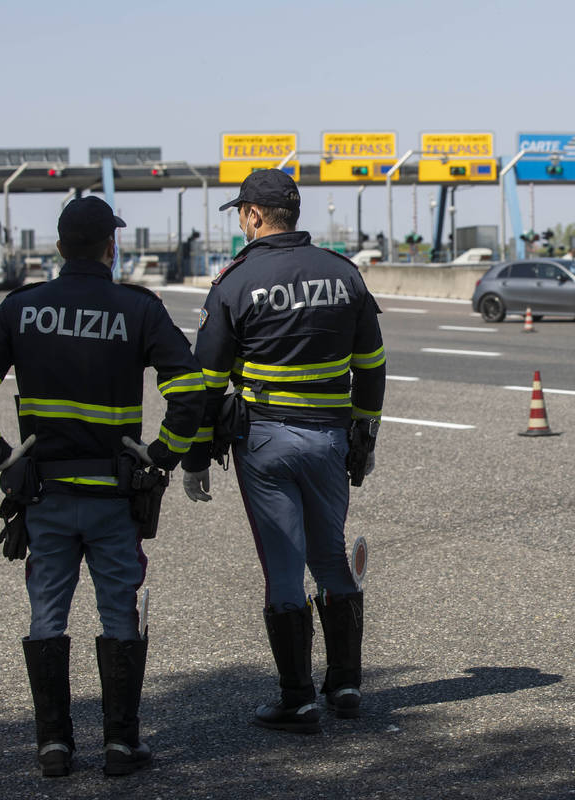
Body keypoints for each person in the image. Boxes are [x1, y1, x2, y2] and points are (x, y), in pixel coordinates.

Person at [0, 197, 204, 778]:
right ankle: (121, 744)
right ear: (110, 247)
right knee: (120, 613)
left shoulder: (23, 307)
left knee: (47, 616)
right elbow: (190, 389)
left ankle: (54, 746)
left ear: (60, 248)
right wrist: (161, 456)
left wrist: (1, 457)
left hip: (45, 497)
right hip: (115, 496)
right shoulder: (138, 309)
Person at [181, 169, 385, 734]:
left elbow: (206, 384)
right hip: (329, 437)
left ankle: (296, 699)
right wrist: (363, 439)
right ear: (294, 214)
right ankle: (344, 685)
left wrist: (196, 459)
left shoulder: (235, 282)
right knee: (331, 557)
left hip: (265, 441)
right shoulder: (344, 275)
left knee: (283, 569)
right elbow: (371, 366)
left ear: (252, 215)